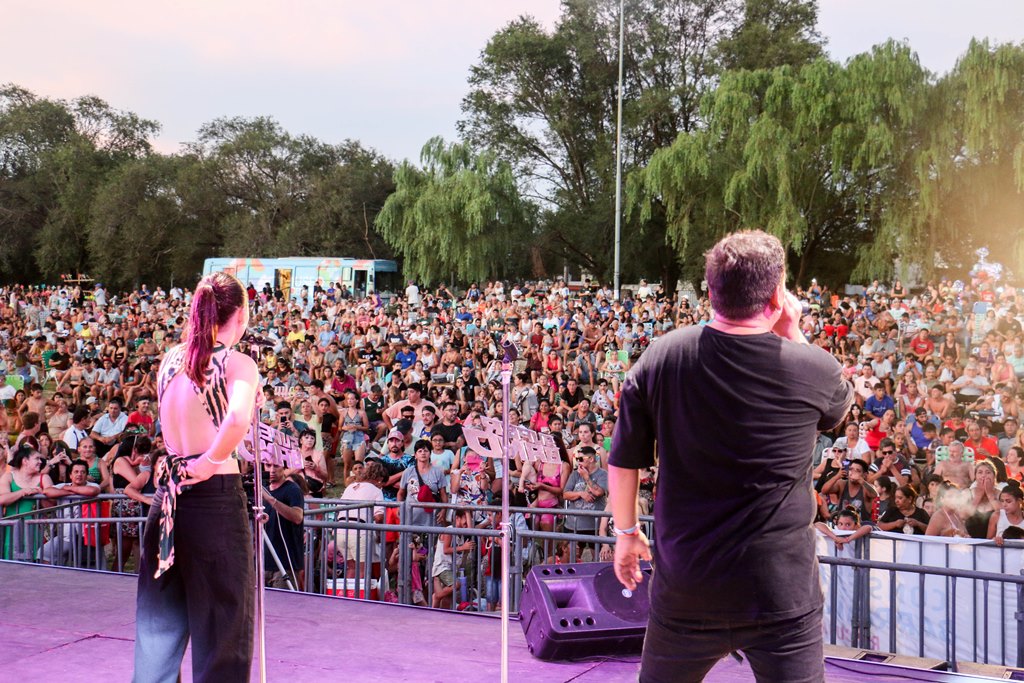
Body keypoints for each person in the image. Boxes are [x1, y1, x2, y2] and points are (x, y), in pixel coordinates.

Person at [609, 230, 853, 683]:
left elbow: (624, 460)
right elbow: (837, 411)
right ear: (778, 293)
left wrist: (626, 533)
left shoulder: (661, 359)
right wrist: (794, 332)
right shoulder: (814, 367)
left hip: (687, 586)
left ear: (710, 289)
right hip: (780, 593)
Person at [134, 272, 259, 682]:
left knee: (159, 626)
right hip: (214, 500)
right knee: (223, 626)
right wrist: (211, 459)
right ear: (239, 314)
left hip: (167, 498)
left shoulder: (172, 359)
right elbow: (237, 417)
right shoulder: (237, 362)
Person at [263, 462, 305, 589]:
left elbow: (297, 517)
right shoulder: (262, 488)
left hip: (286, 562)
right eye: (268, 466)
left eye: (276, 466)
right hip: (264, 562)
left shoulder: (292, 489)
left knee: (285, 606)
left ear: (284, 467)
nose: (272, 470)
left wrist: (271, 500)